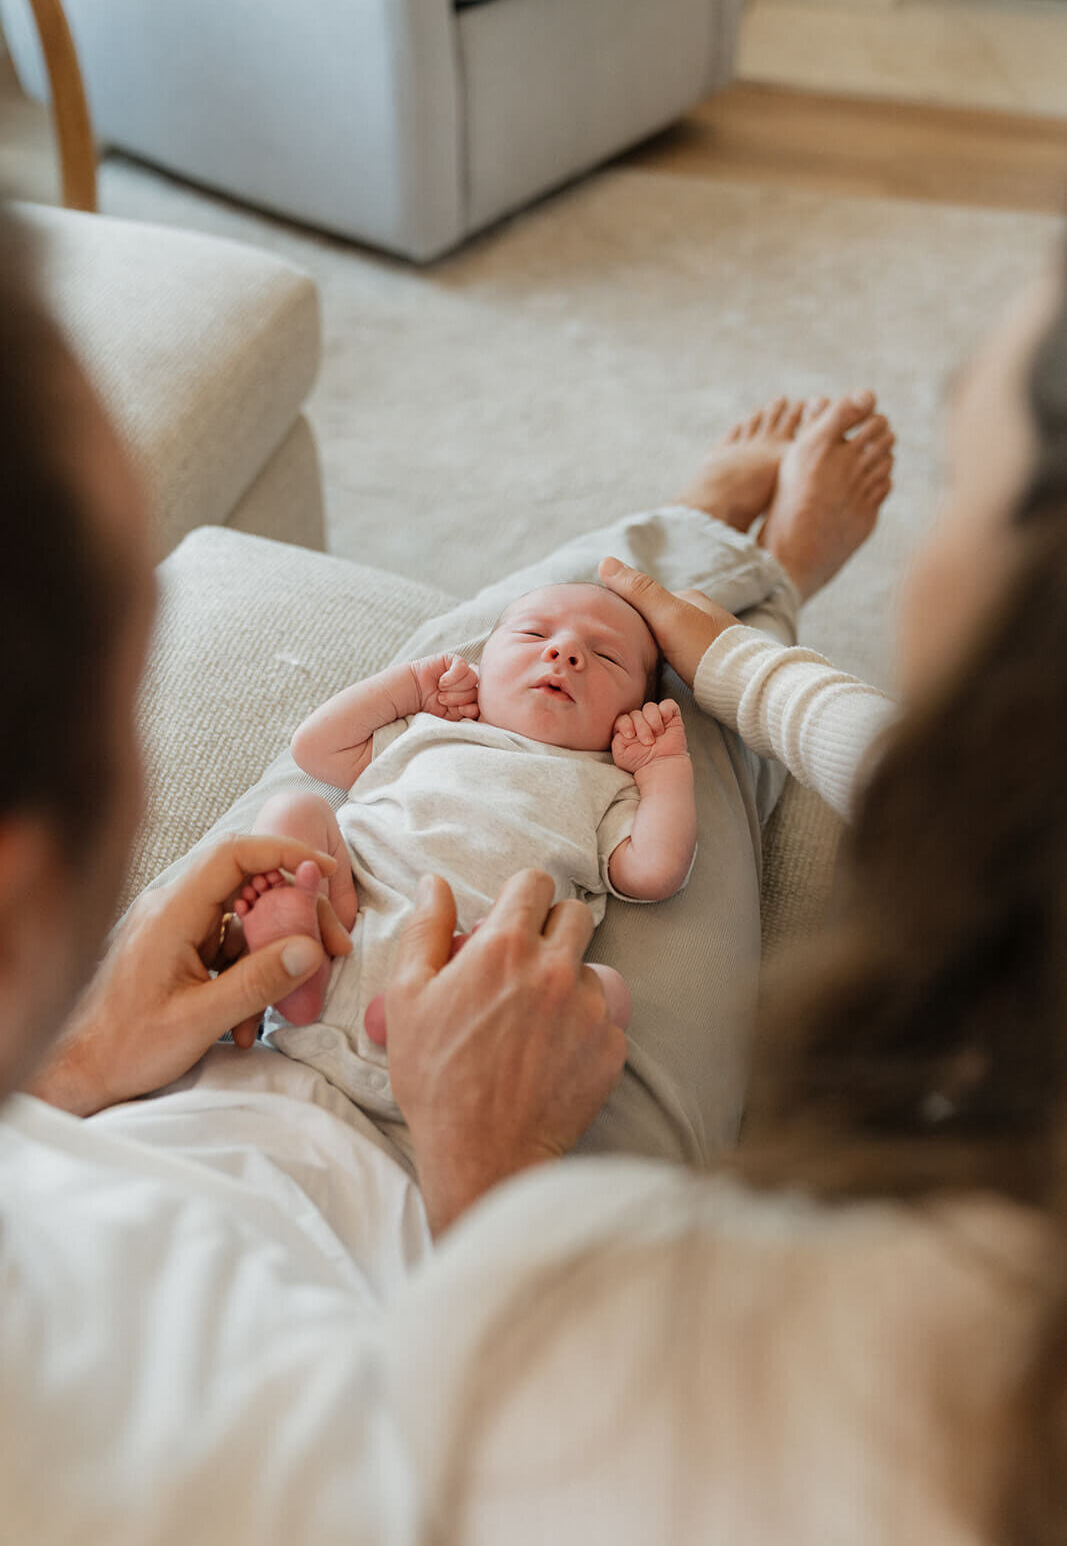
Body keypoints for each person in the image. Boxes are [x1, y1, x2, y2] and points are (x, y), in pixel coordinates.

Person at [0, 179, 952, 1544]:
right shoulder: (240, 1450)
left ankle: (686, 556)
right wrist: (485, 1179)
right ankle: (742, 578)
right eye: (123, 686)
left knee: (345, 763)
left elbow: (322, 762)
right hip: (430, 1164)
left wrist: (68, 1069)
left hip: (211, 1042)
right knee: (663, 722)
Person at [231, 579, 696, 1118]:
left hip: (471, 995)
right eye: (533, 633)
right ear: (481, 662)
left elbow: (656, 870)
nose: (565, 653)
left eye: (607, 657)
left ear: (633, 710)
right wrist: (409, 686)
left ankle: (390, 1002)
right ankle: (295, 953)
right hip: (344, 923)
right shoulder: (426, 731)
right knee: (295, 812)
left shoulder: (604, 786)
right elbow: (315, 747)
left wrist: (662, 770)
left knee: (608, 995)